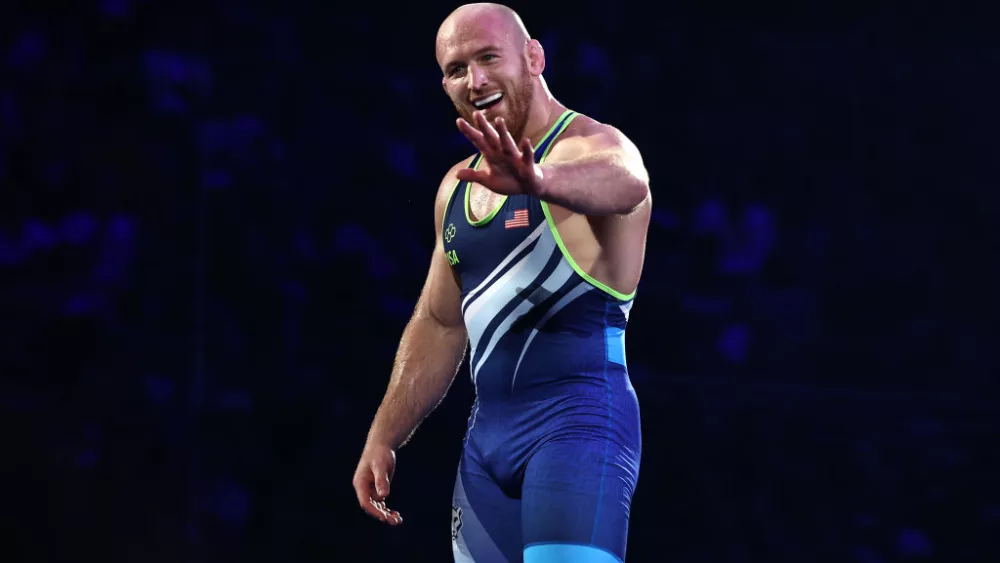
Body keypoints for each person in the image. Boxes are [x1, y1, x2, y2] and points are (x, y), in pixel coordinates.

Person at [352, 3, 651, 562]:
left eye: (489, 58)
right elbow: (439, 323)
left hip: (578, 428)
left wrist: (540, 180)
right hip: (486, 448)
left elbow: (628, 183)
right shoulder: (456, 189)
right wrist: (384, 435)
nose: (476, 80)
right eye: (456, 69)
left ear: (533, 57)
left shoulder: (588, 148)